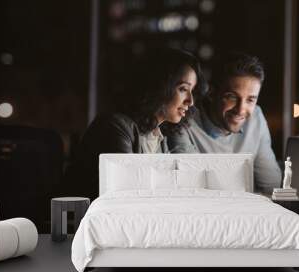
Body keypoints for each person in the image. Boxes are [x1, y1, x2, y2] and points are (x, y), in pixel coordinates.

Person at [68, 48, 205, 200]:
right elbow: (128, 196)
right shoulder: (115, 127)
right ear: (159, 86)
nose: (190, 101)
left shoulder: (158, 137)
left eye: (192, 90)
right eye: (183, 89)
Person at [166, 52, 281, 193]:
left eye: (250, 100)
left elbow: (271, 186)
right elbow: (193, 188)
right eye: (232, 97)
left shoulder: (256, 117)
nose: (241, 110)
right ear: (211, 93)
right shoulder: (183, 117)